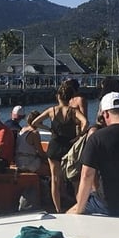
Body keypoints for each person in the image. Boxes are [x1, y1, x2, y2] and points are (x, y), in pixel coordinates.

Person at [31, 82, 88, 212]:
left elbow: (35, 122)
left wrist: (49, 128)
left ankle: (58, 209)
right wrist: (79, 135)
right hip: (69, 146)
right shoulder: (73, 111)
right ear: (70, 98)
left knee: (55, 179)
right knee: (74, 178)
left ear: (58, 97)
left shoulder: (52, 110)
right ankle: (79, 206)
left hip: (54, 145)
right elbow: (85, 122)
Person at [14, 110, 49, 175]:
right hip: (28, 162)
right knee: (51, 169)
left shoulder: (22, 129)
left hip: (18, 161)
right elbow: (41, 153)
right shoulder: (34, 133)